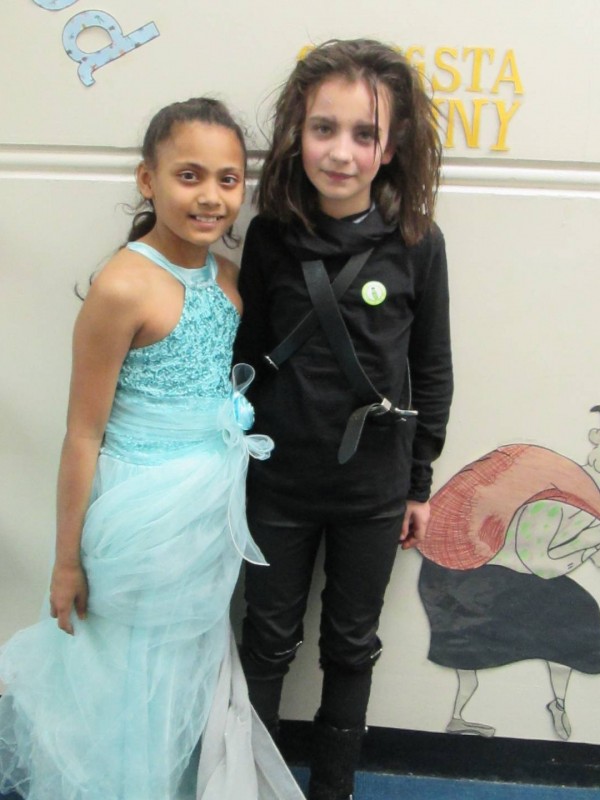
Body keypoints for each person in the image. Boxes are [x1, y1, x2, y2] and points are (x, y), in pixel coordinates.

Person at [0, 97, 303, 800]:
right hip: (139, 515)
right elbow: (83, 433)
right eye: (188, 175)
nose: (210, 196)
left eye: (228, 179)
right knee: (126, 668)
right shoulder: (122, 286)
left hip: (207, 512)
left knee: (183, 664)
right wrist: (65, 562)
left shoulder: (227, 278)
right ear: (148, 179)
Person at [233, 39, 453, 800]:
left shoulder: (418, 244)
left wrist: (419, 482)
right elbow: (246, 357)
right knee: (265, 643)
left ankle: (334, 789)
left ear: (391, 148)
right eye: (324, 128)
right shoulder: (269, 237)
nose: (341, 151)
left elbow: (431, 369)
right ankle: (252, 785)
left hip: (373, 489)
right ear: (298, 133)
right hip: (277, 484)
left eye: (365, 134)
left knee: (352, 648)